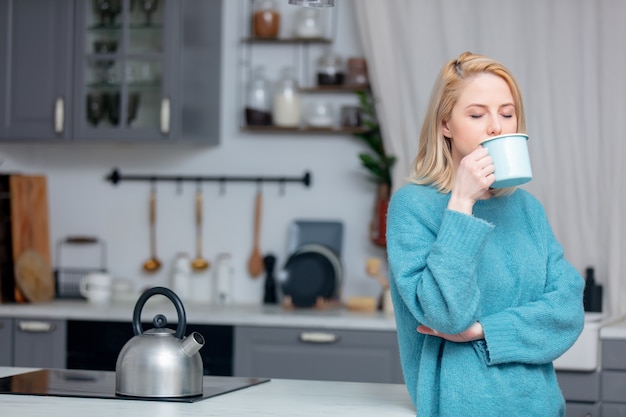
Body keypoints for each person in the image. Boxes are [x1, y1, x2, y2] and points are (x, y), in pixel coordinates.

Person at [386, 51, 585, 416]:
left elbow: (567, 311)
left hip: (541, 407)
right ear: (445, 124)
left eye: (507, 114)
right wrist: (461, 203)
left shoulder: (527, 209)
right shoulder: (412, 207)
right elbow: (446, 316)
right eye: (477, 114)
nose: (496, 126)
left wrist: (483, 331)